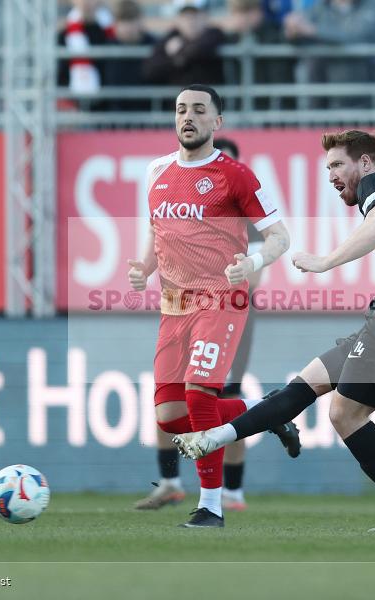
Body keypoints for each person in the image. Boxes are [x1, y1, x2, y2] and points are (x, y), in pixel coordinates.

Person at [175, 129, 375, 533]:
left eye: (337, 164)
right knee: (305, 385)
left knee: (345, 412)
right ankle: (214, 438)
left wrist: (325, 262)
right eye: (327, 167)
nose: (330, 175)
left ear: (365, 162)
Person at [127, 84, 299, 528]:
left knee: (200, 395)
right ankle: (268, 412)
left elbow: (281, 237)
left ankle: (211, 507)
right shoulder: (156, 171)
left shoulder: (235, 175)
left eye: (199, 110)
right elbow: (158, 231)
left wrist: (254, 262)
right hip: (173, 305)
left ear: (216, 123)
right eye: (181, 108)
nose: (188, 116)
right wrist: (145, 268)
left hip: (221, 299)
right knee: (168, 417)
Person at [135, 136, 259, 513]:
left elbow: (255, 273)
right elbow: (158, 237)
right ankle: (171, 482)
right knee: (168, 403)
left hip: (223, 308)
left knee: (214, 395)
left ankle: (230, 494)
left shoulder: (241, 211)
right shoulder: (176, 194)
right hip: (177, 306)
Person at [283, 0, 375, 109]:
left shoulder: (374, 5)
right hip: (332, 101)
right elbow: (301, 37)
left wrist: (313, 30)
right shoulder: (321, 7)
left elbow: (357, 36)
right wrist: (292, 31)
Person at [142, 0, 226, 88]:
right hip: (179, 100)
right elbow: (150, 70)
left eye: (195, 16)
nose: (190, 22)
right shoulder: (170, 37)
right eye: (185, 17)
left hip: (207, 99)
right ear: (178, 19)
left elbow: (199, 50)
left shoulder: (214, 34)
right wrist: (174, 61)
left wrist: (177, 54)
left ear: (205, 16)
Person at [102, 0, 156, 112]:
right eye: (123, 21)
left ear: (140, 20)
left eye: (131, 20)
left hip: (149, 118)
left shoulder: (155, 46)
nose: (127, 27)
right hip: (114, 118)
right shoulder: (106, 48)